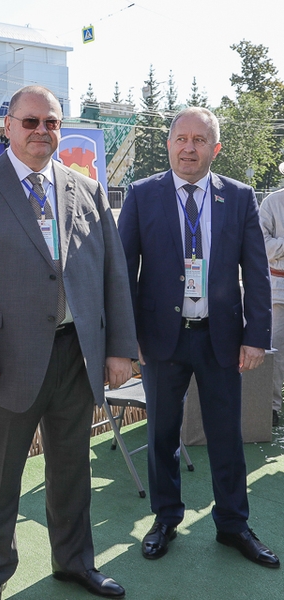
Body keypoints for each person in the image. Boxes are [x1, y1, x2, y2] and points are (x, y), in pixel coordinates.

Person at [0, 85, 136, 600]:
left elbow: (113, 272)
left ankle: (75, 563)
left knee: (71, 470)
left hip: (76, 356)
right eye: (30, 122)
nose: (41, 131)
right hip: (3, 361)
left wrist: (119, 348)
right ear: (8, 127)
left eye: (51, 122)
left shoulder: (86, 189)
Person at [118, 107, 279, 568]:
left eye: (200, 140)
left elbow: (257, 272)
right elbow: (123, 271)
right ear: (169, 143)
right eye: (181, 139)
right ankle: (165, 519)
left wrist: (256, 336)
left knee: (226, 436)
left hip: (220, 338)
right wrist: (128, 338)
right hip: (160, 340)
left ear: (215, 148)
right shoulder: (142, 194)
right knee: (161, 434)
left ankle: (233, 524)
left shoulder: (240, 197)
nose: (189, 148)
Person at [258, 184, 284, 428]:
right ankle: (272, 407)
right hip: (279, 289)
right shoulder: (272, 202)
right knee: (276, 350)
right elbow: (261, 245)